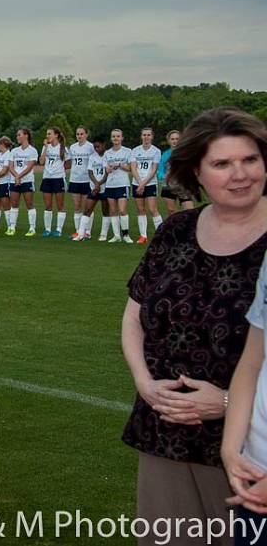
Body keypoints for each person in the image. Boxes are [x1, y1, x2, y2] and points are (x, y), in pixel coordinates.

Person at [122, 107, 267, 546]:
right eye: (222, 164)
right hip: (164, 431)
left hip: (249, 449)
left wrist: (226, 402)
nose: (239, 174)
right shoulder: (177, 230)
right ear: (197, 174)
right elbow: (133, 316)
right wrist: (145, 384)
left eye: (250, 160)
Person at [131, 127, 163, 244]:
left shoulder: (156, 151)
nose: (146, 137)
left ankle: (161, 234)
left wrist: (143, 184)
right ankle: (143, 236)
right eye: (144, 135)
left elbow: (154, 170)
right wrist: (139, 183)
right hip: (137, 183)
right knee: (140, 209)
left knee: (153, 209)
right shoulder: (135, 150)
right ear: (141, 136)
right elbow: (133, 168)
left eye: (148, 135)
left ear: (152, 136)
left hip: (150, 183)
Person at [75, 139, 110, 241]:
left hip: (105, 187)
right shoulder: (92, 157)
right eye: (95, 147)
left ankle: (103, 234)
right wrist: (96, 184)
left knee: (105, 211)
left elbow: (107, 173)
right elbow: (90, 172)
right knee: (87, 210)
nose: (96, 149)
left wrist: (99, 184)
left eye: (98, 146)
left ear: (103, 145)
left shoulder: (108, 156)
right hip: (93, 188)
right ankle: (81, 234)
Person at [104, 129, 134, 243]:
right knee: (113, 210)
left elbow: (130, 168)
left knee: (122, 210)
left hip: (122, 184)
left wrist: (120, 164)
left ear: (122, 138)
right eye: (113, 136)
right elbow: (106, 169)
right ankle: (116, 236)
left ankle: (126, 235)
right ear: (111, 138)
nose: (116, 138)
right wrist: (109, 168)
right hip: (110, 184)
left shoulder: (127, 151)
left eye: (118, 136)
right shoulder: (107, 153)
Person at [38, 126, 69, 237]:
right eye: (47, 134)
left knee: (60, 205)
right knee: (47, 206)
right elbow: (41, 162)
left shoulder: (63, 148)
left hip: (58, 179)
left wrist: (59, 170)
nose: (47, 136)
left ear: (56, 135)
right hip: (47, 178)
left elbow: (68, 163)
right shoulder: (46, 147)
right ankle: (47, 229)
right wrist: (46, 148)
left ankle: (58, 230)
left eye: (49, 133)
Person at [7, 128, 38, 237]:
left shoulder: (32, 150)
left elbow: (30, 166)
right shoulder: (14, 151)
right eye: (17, 135)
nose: (17, 137)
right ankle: (11, 227)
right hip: (14, 180)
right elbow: (10, 166)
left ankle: (32, 228)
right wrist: (16, 177)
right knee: (14, 204)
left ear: (26, 136)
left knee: (29, 204)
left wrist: (19, 177)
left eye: (19, 135)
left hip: (27, 180)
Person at [160, 129, 196, 215]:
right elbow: (160, 169)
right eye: (172, 139)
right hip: (169, 186)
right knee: (171, 211)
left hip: (184, 185)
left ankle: (190, 228)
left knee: (189, 211)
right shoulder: (165, 154)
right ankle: (176, 227)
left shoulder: (186, 153)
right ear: (169, 141)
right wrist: (163, 177)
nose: (175, 141)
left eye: (177, 139)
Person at [67, 126, 95, 236]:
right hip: (74, 179)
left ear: (86, 135)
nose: (79, 136)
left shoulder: (90, 147)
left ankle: (87, 231)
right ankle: (78, 231)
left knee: (87, 207)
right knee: (77, 207)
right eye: (78, 134)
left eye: (82, 134)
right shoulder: (73, 147)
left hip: (87, 180)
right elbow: (69, 162)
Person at [0, 136, 15, 233]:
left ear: (3, 144)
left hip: (5, 182)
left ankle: (10, 227)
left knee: (6, 205)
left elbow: (5, 170)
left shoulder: (9, 155)